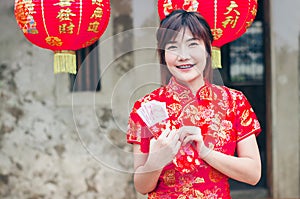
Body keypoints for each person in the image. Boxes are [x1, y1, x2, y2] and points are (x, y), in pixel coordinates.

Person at [127, 10, 261, 199]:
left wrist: (206, 152)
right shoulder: (146, 107)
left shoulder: (234, 102)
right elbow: (142, 187)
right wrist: (155, 161)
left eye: (192, 44)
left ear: (207, 49)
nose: (183, 56)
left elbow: (253, 174)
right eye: (173, 47)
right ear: (163, 54)